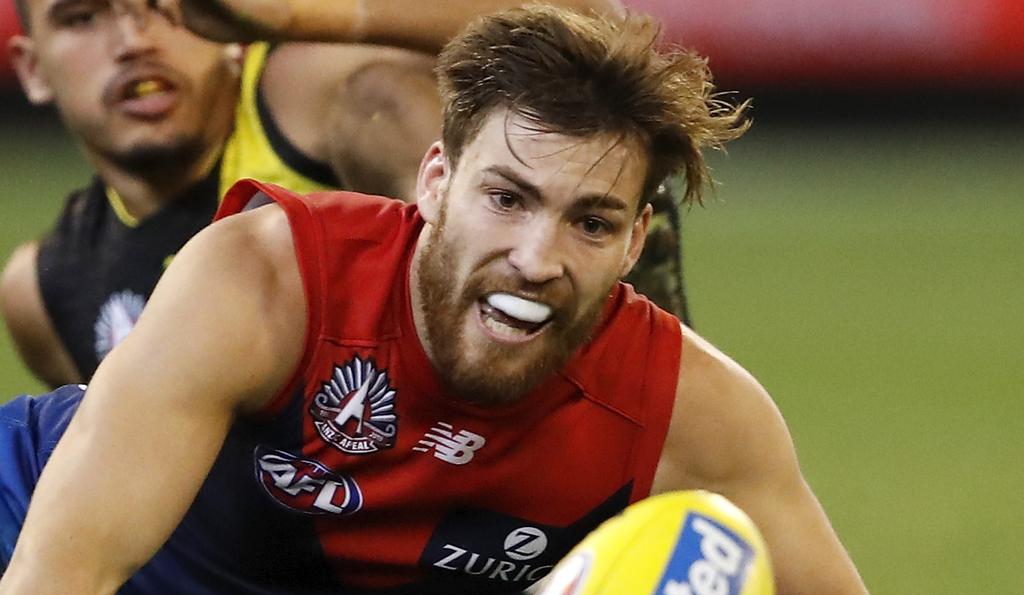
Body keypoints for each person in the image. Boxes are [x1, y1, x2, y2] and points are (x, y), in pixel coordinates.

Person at [0, 6, 948, 595]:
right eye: (507, 197)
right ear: (436, 180)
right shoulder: (265, 281)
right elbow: (61, 572)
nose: (535, 257)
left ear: (632, 245)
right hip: (36, 586)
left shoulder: (689, 418)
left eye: (590, 221)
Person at [1, 0, 688, 394]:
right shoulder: (47, 289)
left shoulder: (309, 94)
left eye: (163, 7)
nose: (133, 43)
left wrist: (297, 14)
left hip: (511, 494)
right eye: (83, 16)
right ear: (32, 67)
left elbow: (603, 34)